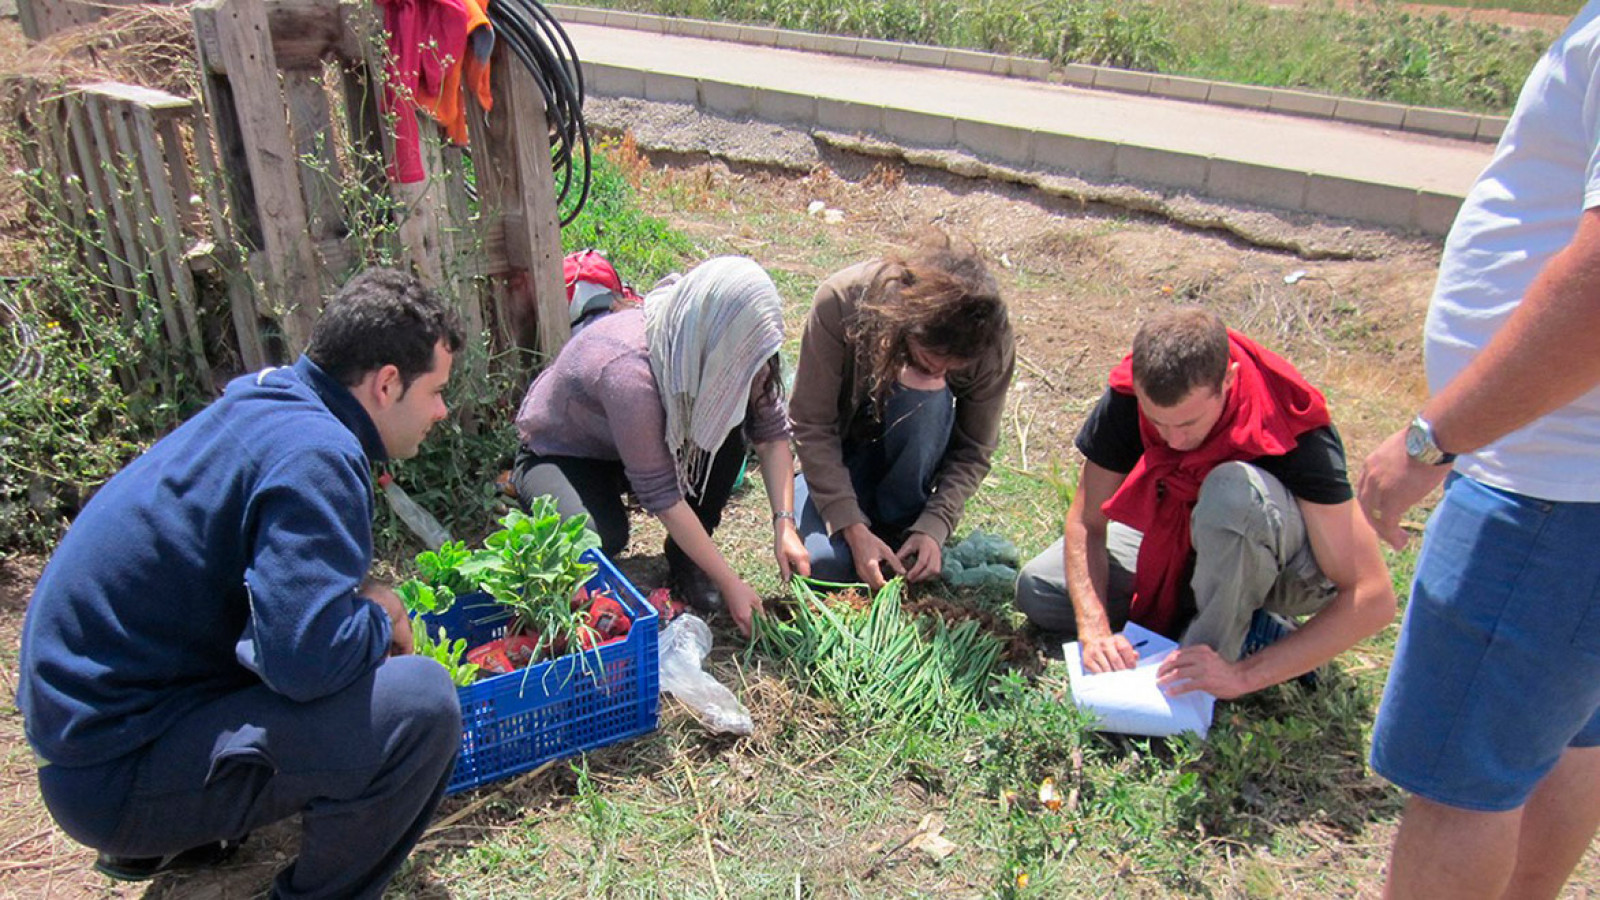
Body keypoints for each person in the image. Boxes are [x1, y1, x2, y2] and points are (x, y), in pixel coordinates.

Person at [18, 268, 467, 898]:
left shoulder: (271, 399)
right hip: (111, 772)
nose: (443, 411)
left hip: (94, 735)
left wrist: (351, 612)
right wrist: (379, 614)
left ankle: (180, 830)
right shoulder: (319, 455)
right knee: (420, 703)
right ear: (387, 383)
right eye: (436, 391)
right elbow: (304, 663)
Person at [1356, 6, 1600, 896]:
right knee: (1566, 737)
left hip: (1545, 492)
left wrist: (1437, 436)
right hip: (1572, 487)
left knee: (1460, 787)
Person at [1014, 307, 1394, 699]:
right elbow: (1086, 522)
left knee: (1231, 491)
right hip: (1182, 538)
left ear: (1228, 380)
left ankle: (1207, 672)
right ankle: (1247, 627)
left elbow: (1372, 596)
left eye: (1188, 424)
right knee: (1041, 589)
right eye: (1157, 422)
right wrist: (1093, 629)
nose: (1172, 440)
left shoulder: (1290, 422)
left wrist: (1245, 677)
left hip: (1283, 569)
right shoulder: (1129, 395)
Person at [510, 255, 808, 636]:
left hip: (638, 446)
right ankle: (529, 486)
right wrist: (732, 582)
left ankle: (688, 557)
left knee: (728, 432)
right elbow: (662, 496)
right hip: (568, 453)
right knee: (597, 538)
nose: (757, 372)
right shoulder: (629, 368)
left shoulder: (740, 355)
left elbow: (771, 434)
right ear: (716, 338)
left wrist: (785, 524)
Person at [789, 233, 1014, 590]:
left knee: (926, 396)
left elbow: (974, 449)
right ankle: (866, 529)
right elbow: (811, 425)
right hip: (839, 460)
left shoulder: (990, 340)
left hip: (912, 468)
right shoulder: (841, 302)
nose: (940, 373)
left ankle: (902, 527)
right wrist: (850, 524)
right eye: (928, 362)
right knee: (822, 566)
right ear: (905, 323)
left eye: (951, 369)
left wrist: (934, 525)